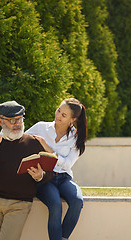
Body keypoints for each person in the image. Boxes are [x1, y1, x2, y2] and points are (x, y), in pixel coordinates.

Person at [0, 100, 53, 240]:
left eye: (20, 119)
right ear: (0, 121)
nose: (17, 124)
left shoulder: (34, 143)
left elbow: (51, 173)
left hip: (20, 203)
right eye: (12, 120)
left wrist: (41, 176)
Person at [26, 98, 87, 240]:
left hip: (64, 177)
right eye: (59, 110)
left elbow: (67, 165)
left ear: (72, 120)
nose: (58, 115)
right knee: (55, 205)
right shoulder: (41, 127)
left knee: (77, 201)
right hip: (45, 178)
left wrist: (47, 148)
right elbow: (20, 141)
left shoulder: (77, 138)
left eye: (64, 115)